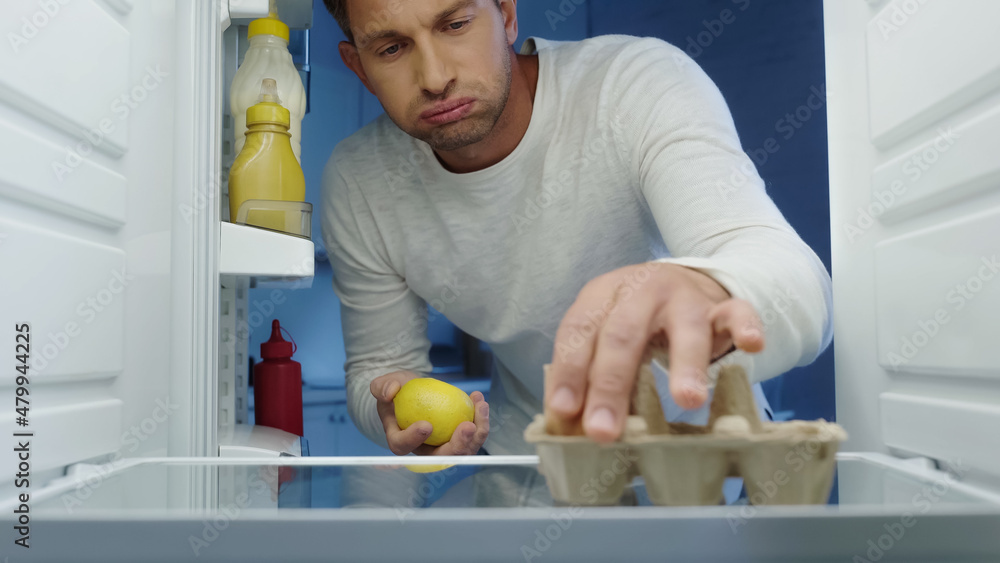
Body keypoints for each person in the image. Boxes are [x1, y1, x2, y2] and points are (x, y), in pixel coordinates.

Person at [320, 0, 832, 461]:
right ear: (358, 66)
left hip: (710, 461)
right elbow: (377, 368)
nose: (434, 77)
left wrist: (706, 286)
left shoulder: (634, 83)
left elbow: (799, 285)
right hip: (529, 466)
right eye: (391, 48)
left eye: (455, 24)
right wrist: (391, 412)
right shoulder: (360, 180)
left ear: (505, 13)